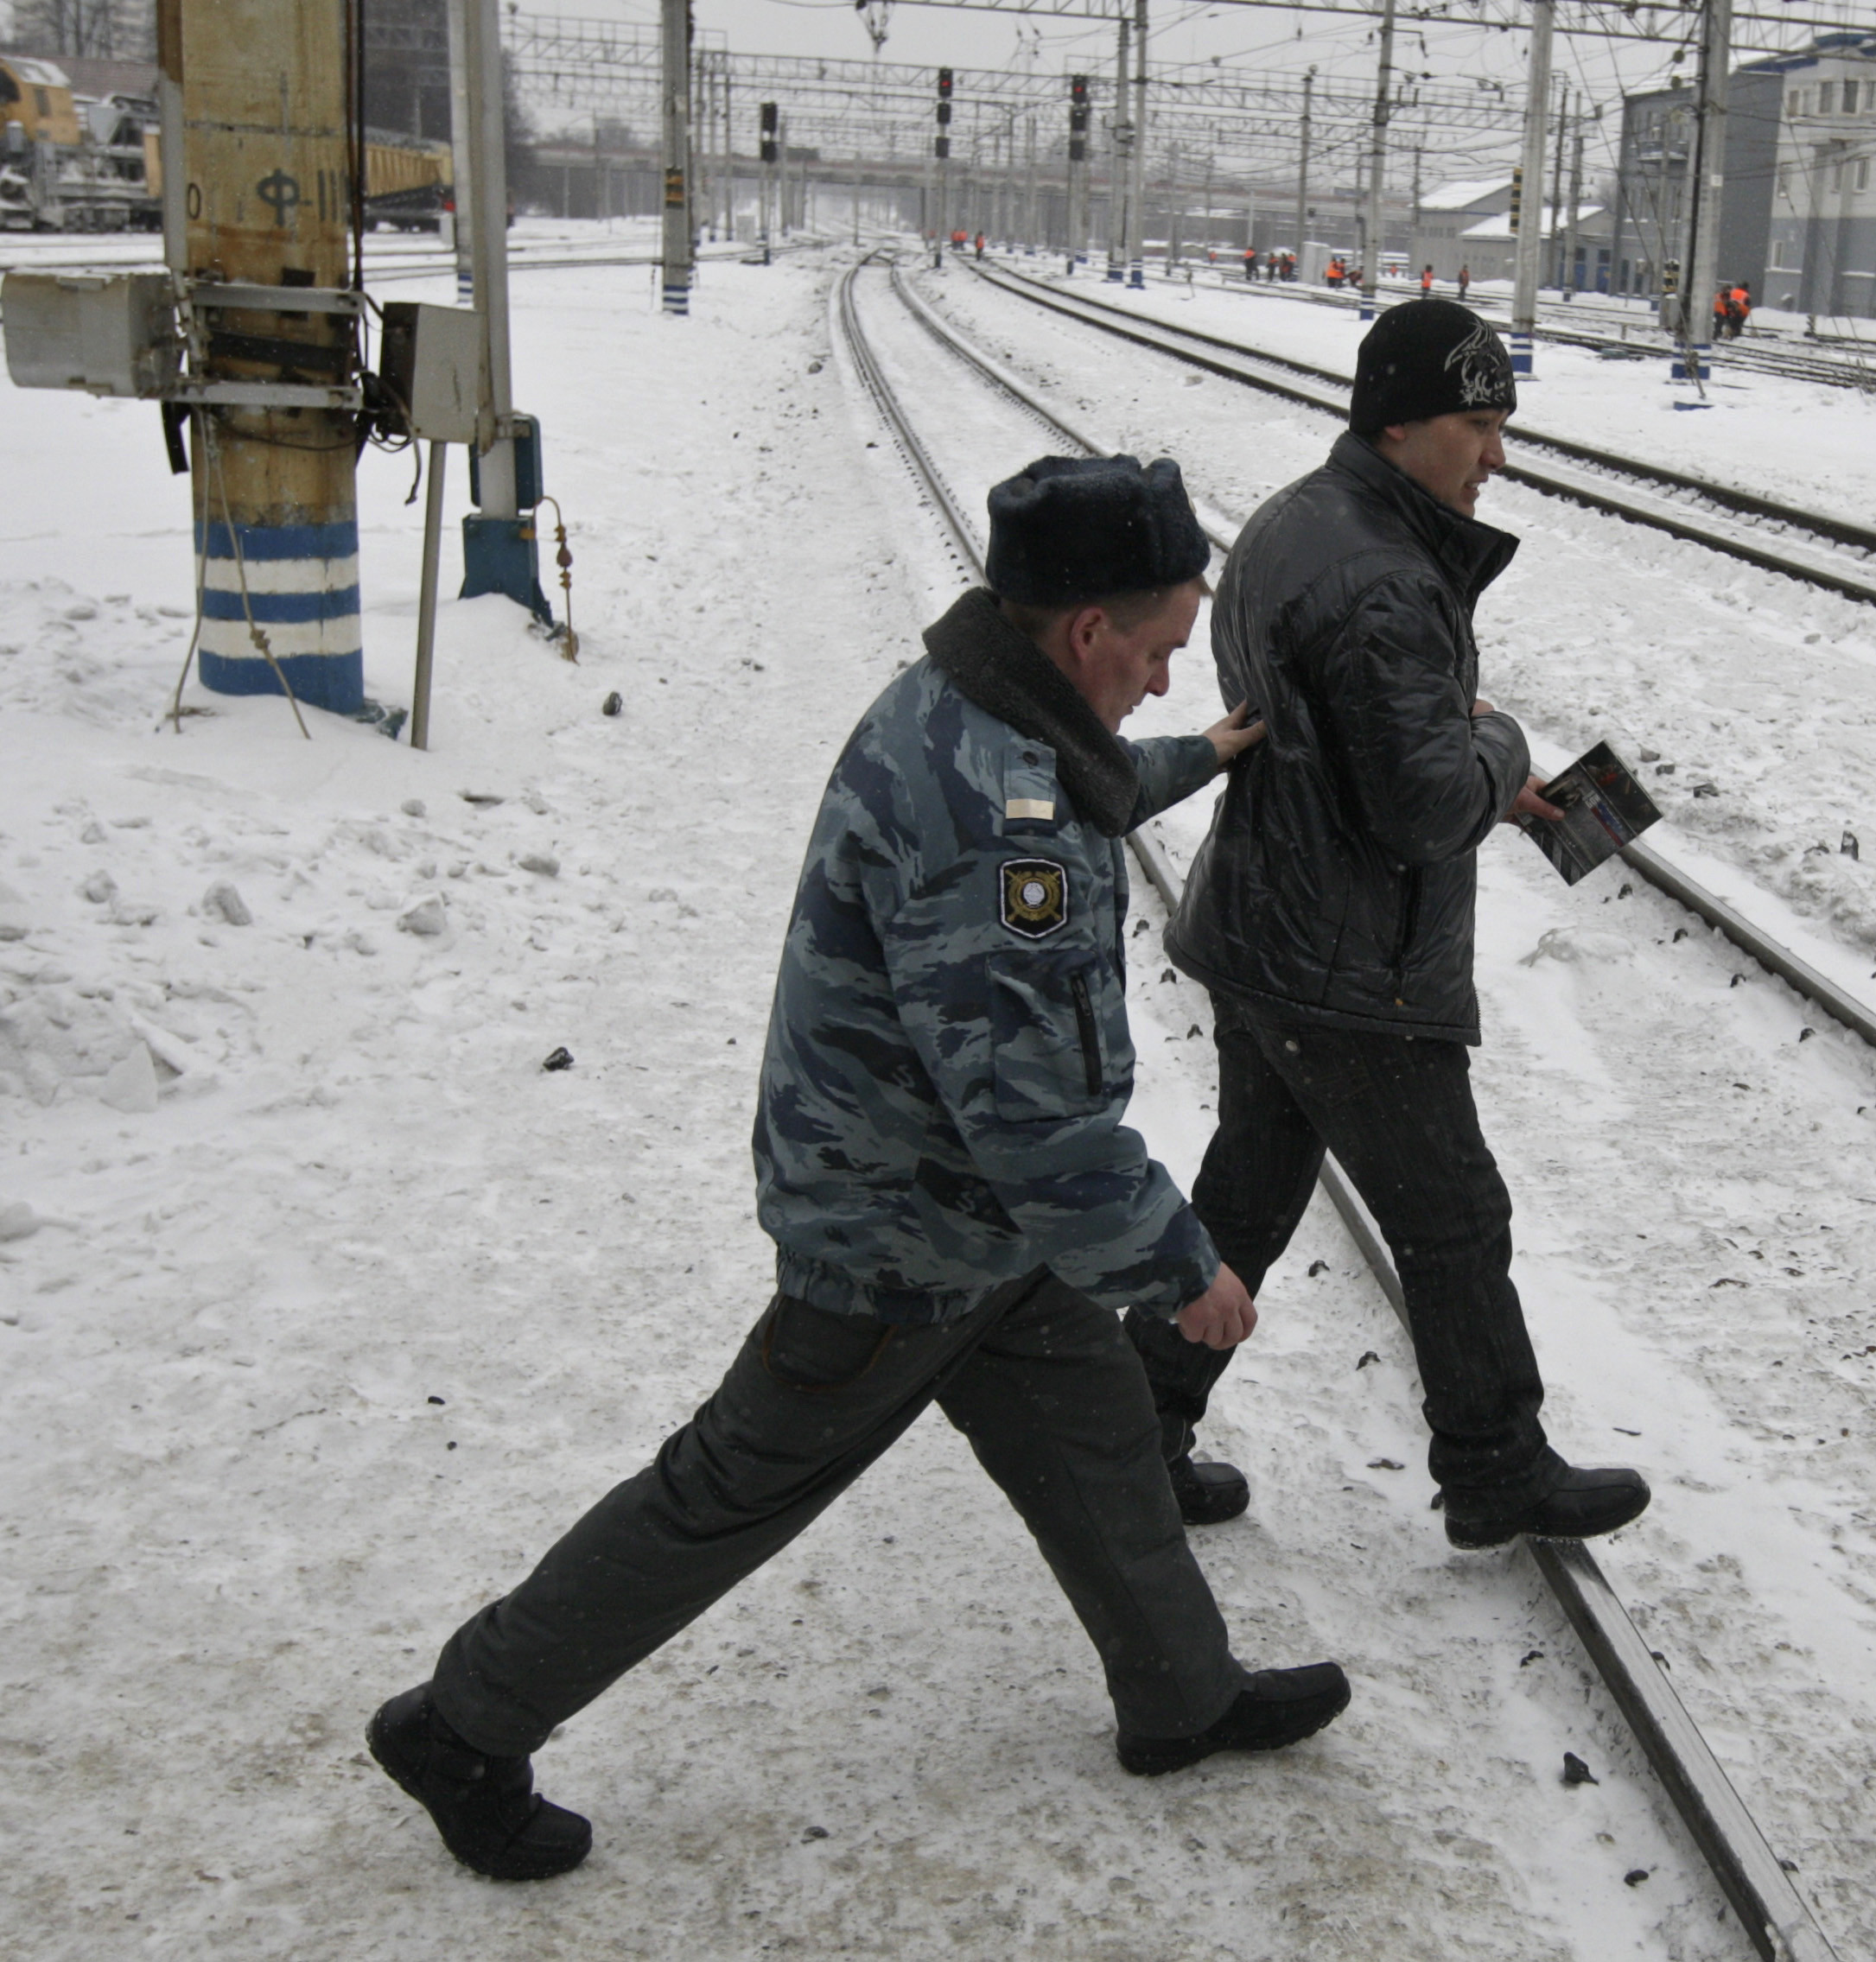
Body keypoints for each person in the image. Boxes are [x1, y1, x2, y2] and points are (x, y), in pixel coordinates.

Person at [364, 456, 1350, 1884]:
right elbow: (1038, 1117)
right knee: (723, 1496)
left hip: (977, 1235)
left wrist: (1203, 751)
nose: (1158, 678)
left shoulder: (983, 698)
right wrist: (1182, 1266)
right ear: (1085, 634)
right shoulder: (995, 819)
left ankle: (1182, 1698)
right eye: (1155, 653)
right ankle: (460, 1724)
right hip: (898, 1241)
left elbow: (1091, 775)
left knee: (1096, 1443)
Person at [1145, 301, 1650, 1552]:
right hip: (1351, 966)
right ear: (1403, 423)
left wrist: (1446, 732)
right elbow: (1424, 812)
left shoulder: (1301, 521)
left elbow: (1332, 731)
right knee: (1454, 1218)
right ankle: (1493, 1467)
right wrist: (1494, 740)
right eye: (1479, 428)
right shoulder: (1382, 575)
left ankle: (1129, 1433)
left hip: (1274, 927)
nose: (1497, 458)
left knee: (1250, 1194)